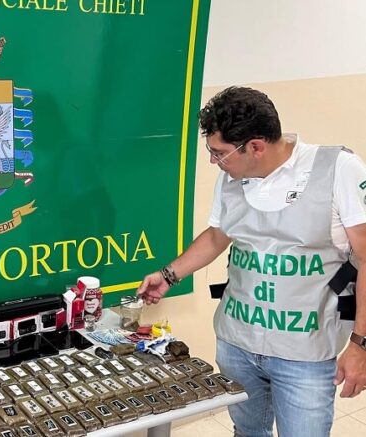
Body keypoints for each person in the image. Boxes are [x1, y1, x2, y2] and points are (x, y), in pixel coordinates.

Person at [137, 86, 366, 436]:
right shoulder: (232, 177)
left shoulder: (338, 170)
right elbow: (218, 234)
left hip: (304, 354)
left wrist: (360, 345)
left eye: (219, 153)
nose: (213, 162)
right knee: (247, 432)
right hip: (237, 344)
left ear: (256, 147)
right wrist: (169, 274)